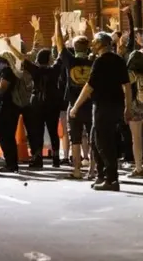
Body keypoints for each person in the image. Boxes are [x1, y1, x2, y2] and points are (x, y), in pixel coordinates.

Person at [69, 32, 131, 192]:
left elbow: (89, 86)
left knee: (104, 143)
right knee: (95, 140)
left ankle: (111, 179)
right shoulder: (118, 60)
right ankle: (102, 175)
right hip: (116, 105)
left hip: (103, 106)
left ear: (101, 44)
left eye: (95, 42)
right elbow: (127, 85)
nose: (92, 45)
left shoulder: (100, 62)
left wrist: (76, 106)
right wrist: (127, 107)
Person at [6, 38, 63, 169]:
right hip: (52, 102)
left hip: (36, 102)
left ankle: (37, 158)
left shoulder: (35, 69)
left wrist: (10, 46)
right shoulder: (55, 70)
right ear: (49, 59)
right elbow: (61, 54)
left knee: (37, 131)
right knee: (53, 130)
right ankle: (56, 158)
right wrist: (58, 42)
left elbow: (21, 57)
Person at [55, 15, 93, 179]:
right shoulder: (94, 62)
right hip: (91, 104)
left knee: (75, 140)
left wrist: (57, 22)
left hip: (74, 105)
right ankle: (93, 170)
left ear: (74, 47)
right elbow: (99, 45)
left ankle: (77, 170)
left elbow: (59, 43)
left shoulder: (70, 60)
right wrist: (92, 27)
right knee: (93, 138)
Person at [0, 51, 23, 173]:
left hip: (7, 107)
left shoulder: (7, 73)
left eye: (0, 61)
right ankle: (11, 163)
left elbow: (1, 90)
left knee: (5, 136)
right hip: (11, 107)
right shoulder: (10, 72)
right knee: (8, 136)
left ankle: (10, 163)